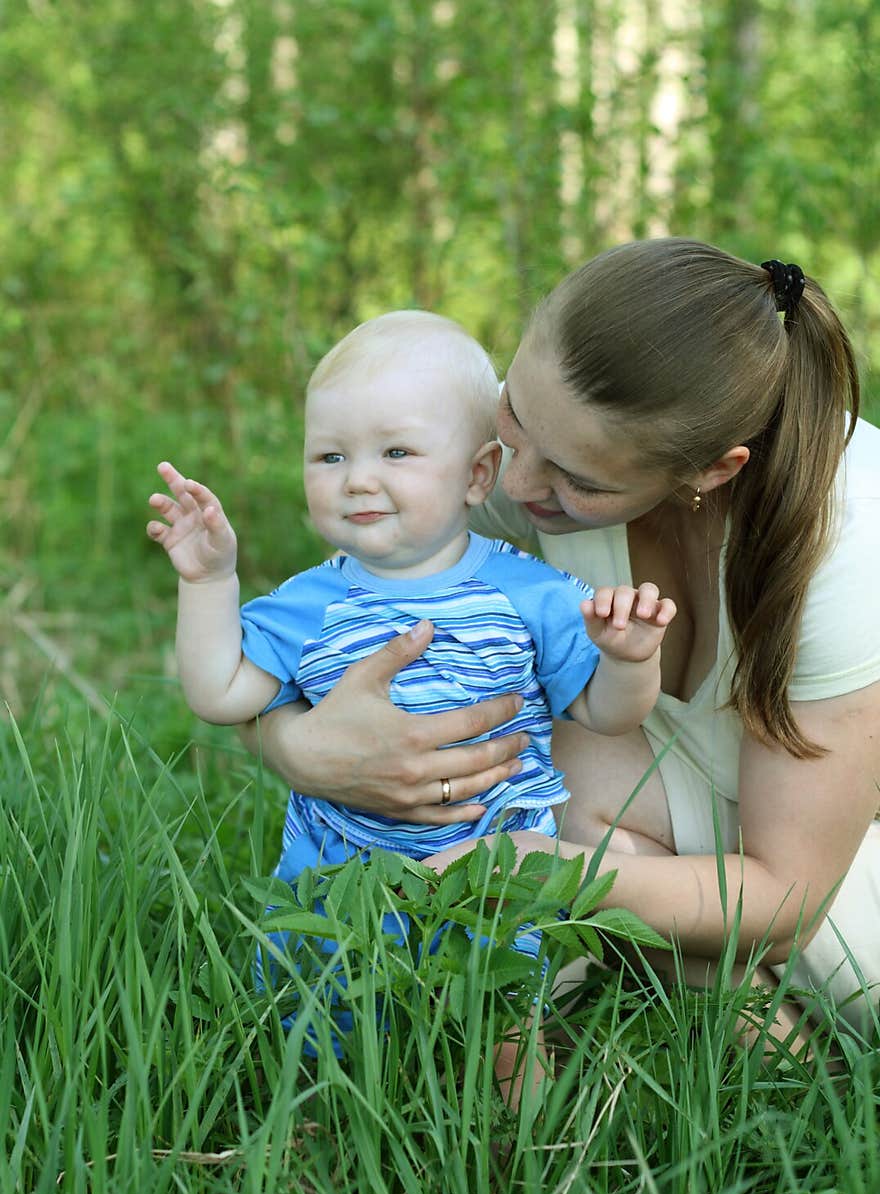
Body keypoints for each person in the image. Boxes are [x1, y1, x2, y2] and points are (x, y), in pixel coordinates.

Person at [234, 241, 880, 1051]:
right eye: (513, 421)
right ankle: (687, 967)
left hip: (832, 850)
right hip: (683, 792)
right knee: (529, 751)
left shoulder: (846, 538)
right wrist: (298, 747)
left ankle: (760, 1034)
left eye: (580, 481)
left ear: (711, 471)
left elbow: (790, 899)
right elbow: (320, 621)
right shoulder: (545, 435)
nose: (514, 483)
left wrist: (549, 869)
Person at [146, 309, 677, 1099]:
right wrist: (209, 582)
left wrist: (631, 658)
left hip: (495, 877)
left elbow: (609, 714)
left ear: (475, 475)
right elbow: (220, 692)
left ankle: (519, 1156)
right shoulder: (308, 602)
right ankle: (321, 1143)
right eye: (329, 455)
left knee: (506, 1027)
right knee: (320, 1037)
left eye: (396, 451)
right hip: (336, 887)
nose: (358, 477)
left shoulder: (530, 591)